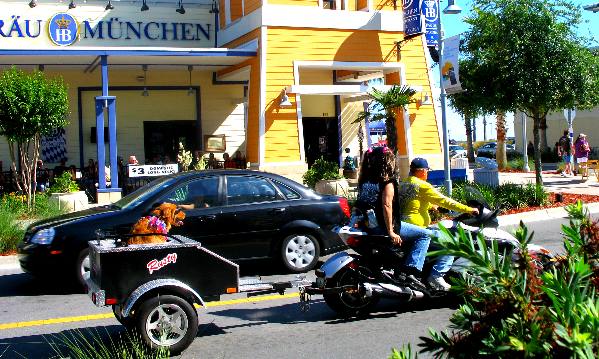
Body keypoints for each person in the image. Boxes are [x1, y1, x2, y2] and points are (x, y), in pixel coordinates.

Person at [398, 157, 479, 290]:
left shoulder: (403, 183)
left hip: (404, 226)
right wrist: (469, 209)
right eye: (426, 171)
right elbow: (446, 201)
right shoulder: (422, 185)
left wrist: (431, 206)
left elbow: (412, 201)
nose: (427, 173)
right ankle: (436, 276)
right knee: (452, 243)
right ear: (422, 171)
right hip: (417, 227)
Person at [356, 146, 431, 287]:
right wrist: (391, 231)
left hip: (369, 226)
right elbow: (386, 205)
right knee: (426, 235)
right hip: (382, 226)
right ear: (387, 162)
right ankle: (412, 271)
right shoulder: (387, 182)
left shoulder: (365, 180)